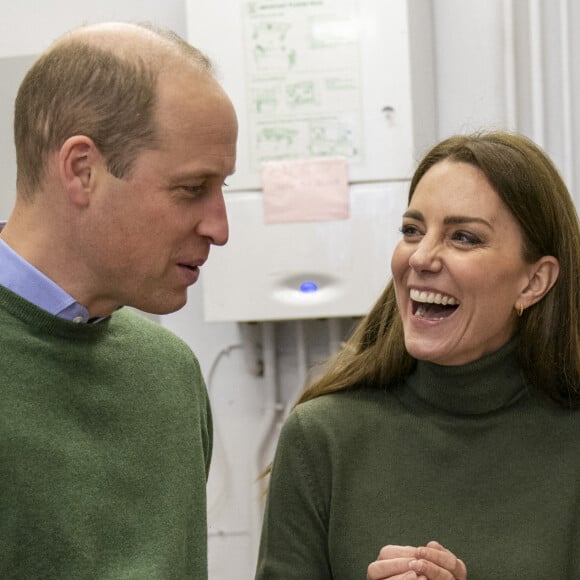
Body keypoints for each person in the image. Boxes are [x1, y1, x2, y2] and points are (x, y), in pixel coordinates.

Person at [254, 131, 580, 580]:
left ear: (534, 282)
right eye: (411, 231)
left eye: (463, 237)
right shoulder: (321, 438)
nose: (421, 257)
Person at [0, 21, 237, 579]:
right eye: (191, 188)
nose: (220, 228)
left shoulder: (167, 372)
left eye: (222, 186)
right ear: (83, 171)